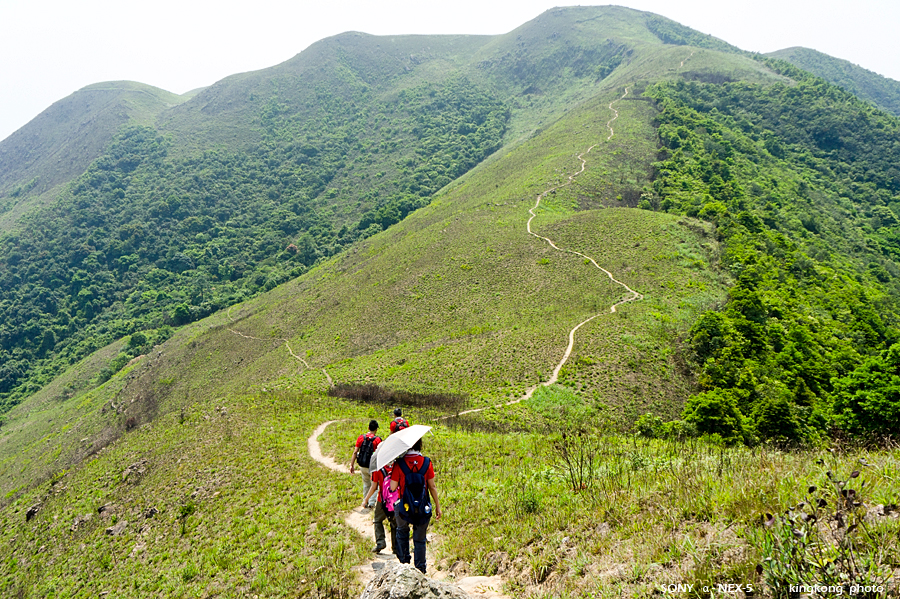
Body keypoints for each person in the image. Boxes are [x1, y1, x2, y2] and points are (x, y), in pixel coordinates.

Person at [390, 438, 441, 573]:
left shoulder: (399, 463)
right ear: (420, 444)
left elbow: (393, 487)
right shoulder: (426, 462)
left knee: (402, 531)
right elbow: (432, 486)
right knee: (420, 539)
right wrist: (437, 506)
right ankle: (420, 569)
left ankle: (404, 564)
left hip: (404, 507)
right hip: (422, 507)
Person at [362, 461, 399, 555]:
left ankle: (380, 542)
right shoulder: (397, 466)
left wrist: (366, 499)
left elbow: (374, 486)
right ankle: (396, 547)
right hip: (396, 500)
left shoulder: (377, 468)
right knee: (394, 523)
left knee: (377, 520)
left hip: (382, 500)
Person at [349, 420, 381, 508]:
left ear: (368, 428)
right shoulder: (377, 440)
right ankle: (371, 502)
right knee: (374, 485)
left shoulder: (361, 438)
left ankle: (365, 500)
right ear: (376, 429)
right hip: (373, 466)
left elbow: (355, 451)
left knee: (366, 484)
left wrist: (351, 465)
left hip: (362, 465)